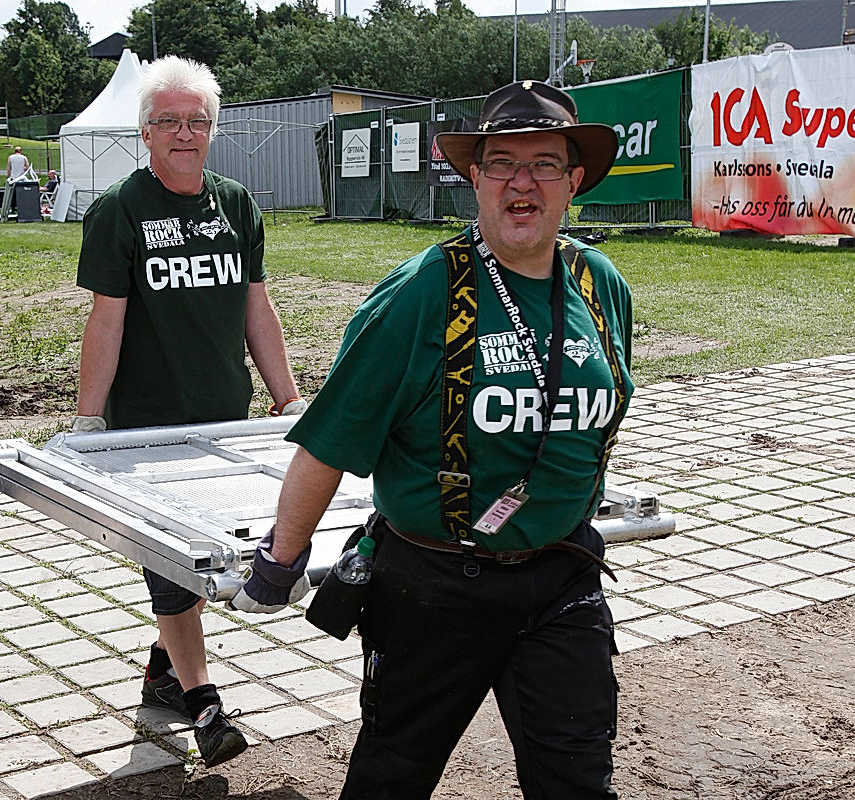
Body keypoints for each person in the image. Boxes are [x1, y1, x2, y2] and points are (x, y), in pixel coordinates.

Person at [232, 81, 633, 799]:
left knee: (578, 783)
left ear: (574, 181)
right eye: (501, 163)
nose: (522, 181)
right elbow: (332, 438)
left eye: (544, 163)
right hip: (436, 587)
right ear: (474, 179)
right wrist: (280, 559)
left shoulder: (599, 284)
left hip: (563, 578)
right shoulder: (424, 290)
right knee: (393, 777)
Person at [74, 55, 304, 768]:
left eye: (196, 121)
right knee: (176, 570)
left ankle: (164, 672)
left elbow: (255, 310)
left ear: (212, 130)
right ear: (145, 132)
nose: (183, 133)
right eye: (168, 121)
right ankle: (206, 706)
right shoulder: (119, 210)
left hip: (226, 421)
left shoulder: (237, 205)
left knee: (198, 565)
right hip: (147, 430)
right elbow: (105, 322)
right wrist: (88, 422)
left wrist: (289, 397)